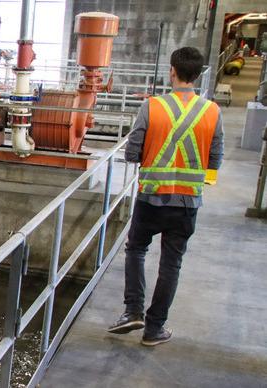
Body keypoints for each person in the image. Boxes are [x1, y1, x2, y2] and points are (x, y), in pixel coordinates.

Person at [107, 47, 224, 346]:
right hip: (186, 202)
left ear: (171, 71)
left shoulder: (152, 106)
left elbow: (132, 152)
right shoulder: (212, 111)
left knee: (136, 250)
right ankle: (154, 328)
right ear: (198, 76)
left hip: (151, 197)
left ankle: (133, 310)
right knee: (171, 264)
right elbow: (215, 159)